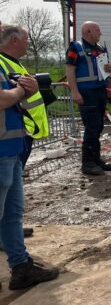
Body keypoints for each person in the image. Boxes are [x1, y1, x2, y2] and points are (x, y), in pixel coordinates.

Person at [0, 52, 59, 290]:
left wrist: (29, 89)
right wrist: (22, 91)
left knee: (12, 213)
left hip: (11, 148)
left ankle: (21, 267)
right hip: (2, 151)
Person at [65, 21, 111, 176]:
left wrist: (109, 68)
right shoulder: (76, 47)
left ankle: (96, 159)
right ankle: (87, 163)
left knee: (98, 126)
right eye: (97, 30)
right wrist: (74, 92)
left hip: (100, 91)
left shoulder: (100, 48)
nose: (100, 33)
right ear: (88, 32)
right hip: (86, 93)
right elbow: (70, 70)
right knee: (92, 127)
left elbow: (105, 68)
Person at [0, 24, 50, 168]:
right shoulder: (3, 62)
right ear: (14, 40)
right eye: (26, 39)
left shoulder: (13, 62)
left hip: (21, 131)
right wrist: (23, 90)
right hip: (11, 134)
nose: (28, 42)